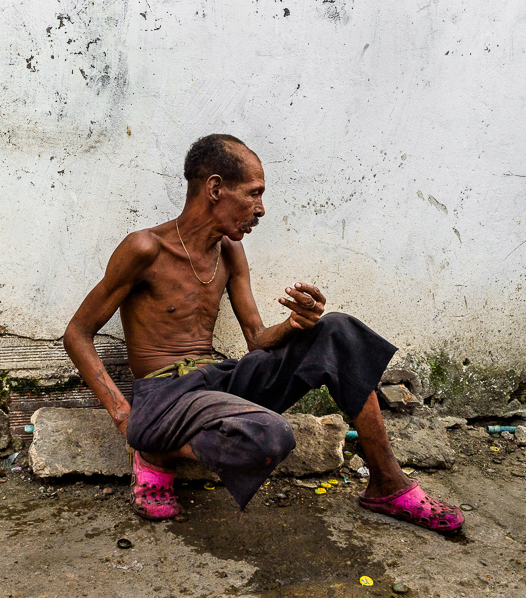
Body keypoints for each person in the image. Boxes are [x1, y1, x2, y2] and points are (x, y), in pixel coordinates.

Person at [63, 134, 464, 533]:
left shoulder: (230, 251)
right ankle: (152, 451)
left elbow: (255, 338)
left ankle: (388, 484)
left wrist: (295, 325)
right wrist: (124, 417)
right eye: (254, 194)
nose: (261, 209)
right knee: (271, 435)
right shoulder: (144, 248)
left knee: (337, 330)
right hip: (165, 392)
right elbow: (77, 334)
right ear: (216, 188)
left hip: (218, 380)